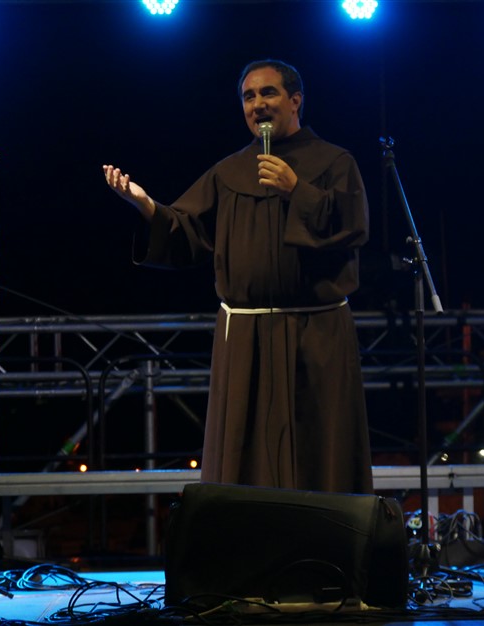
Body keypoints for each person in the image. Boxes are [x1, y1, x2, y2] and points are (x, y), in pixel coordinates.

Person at [102, 59, 373, 495]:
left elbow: (353, 227)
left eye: (268, 93)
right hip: (247, 337)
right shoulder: (229, 172)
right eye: (249, 97)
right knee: (243, 458)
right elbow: (187, 231)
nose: (257, 104)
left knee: (319, 453)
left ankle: (324, 535)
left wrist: (297, 190)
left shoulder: (334, 162)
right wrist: (147, 206)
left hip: (317, 334)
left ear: (295, 100)